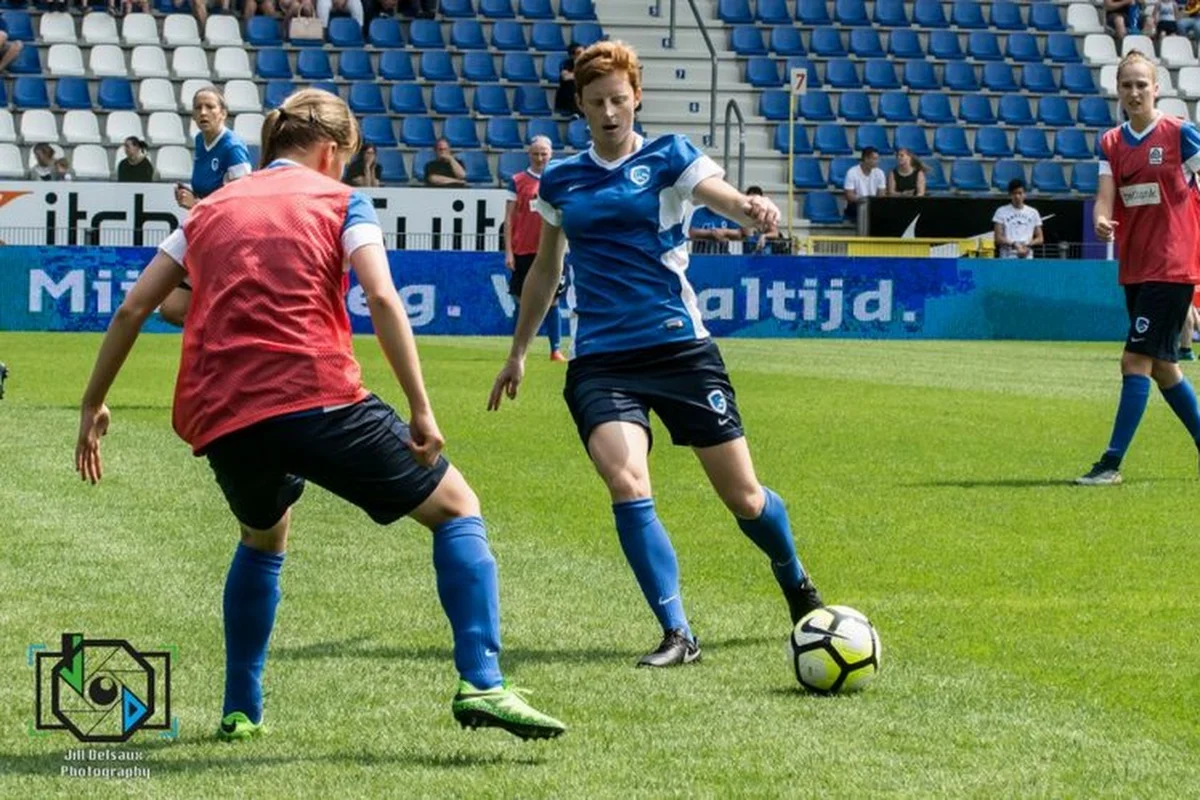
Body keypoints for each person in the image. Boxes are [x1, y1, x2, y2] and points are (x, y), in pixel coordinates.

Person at [74, 88, 567, 742]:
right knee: (456, 508)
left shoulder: (211, 209)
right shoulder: (341, 200)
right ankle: (482, 681)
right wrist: (421, 408)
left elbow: (136, 308)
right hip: (317, 395)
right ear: (332, 154)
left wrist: (92, 404)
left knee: (264, 535)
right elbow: (384, 298)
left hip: (223, 416)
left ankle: (241, 707)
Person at [487, 41, 825, 668]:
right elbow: (546, 272)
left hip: (679, 350)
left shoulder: (671, 155)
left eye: (619, 99)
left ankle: (795, 577)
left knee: (744, 498)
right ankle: (678, 632)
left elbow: (720, 195)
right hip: (602, 360)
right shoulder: (561, 178)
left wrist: (750, 208)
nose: (610, 111)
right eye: (596, 102)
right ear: (580, 108)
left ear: (636, 97)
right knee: (626, 479)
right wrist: (519, 352)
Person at [1076, 50, 1200, 485]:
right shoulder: (1110, 142)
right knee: (1164, 368)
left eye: (1141, 84)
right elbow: (1105, 192)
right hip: (1136, 267)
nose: (1134, 92)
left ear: (1157, 88)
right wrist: (1100, 218)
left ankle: (1110, 464)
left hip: (1173, 264)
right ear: (1118, 90)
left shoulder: (1182, 135)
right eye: (1126, 84)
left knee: (1134, 361)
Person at [163, 86, 254, 327]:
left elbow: (244, 202)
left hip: (227, 241)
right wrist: (193, 199)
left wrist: (197, 205)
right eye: (198, 108)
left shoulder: (232, 148)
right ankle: (223, 349)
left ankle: (229, 348)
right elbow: (213, 193)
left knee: (176, 308)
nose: (203, 112)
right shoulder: (200, 142)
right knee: (172, 309)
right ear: (192, 115)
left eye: (210, 107)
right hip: (204, 232)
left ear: (223, 113)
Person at [504, 135, 566, 362]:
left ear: (551, 155)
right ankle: (518, 351)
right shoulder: (518, 180)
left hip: (551, 250)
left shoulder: (558, 180)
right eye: (536, 154)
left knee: (553, 300)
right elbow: (509, 219)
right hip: (523, 249)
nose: (540, 158)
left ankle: (555, 349)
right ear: (529, 154)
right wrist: (509, 251)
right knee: (521, 300)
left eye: (544, 154)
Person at [992, 179, 1043, 259]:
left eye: (1020, 193)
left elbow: (1040, 238)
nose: (1017, 196)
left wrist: (1028, 245)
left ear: (1024, 194)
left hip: (1027, 256)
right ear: (1010, 195)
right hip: (1007, 258)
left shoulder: (1033, 212)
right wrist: (1014, 244)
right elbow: (998, 238)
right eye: (1014, 193)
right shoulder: (1001, 211)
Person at [843, 146, 885, 224]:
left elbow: (881, 195)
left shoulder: (880, 173)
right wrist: (864, 201)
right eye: (874, 159)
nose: (877, 161)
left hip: (873, 205)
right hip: (856, 204)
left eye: (877, 159)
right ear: (866, 159)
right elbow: (849, 196)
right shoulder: (852, 172)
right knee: (863, 210)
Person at [743, 185, 786, 254]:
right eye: (752, 199)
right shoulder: (743, 214)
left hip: (765, 250)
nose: (755, 203)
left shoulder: (767, 214)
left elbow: (775, 233)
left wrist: (764, 236)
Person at [555, 43, 584, 117]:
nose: (583, 55)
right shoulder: (566, 64)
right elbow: (566, 77)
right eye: (579, 53)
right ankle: (577, 113)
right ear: (572, 55)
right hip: (567, 96)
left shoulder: (586, 64)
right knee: (572, 86)